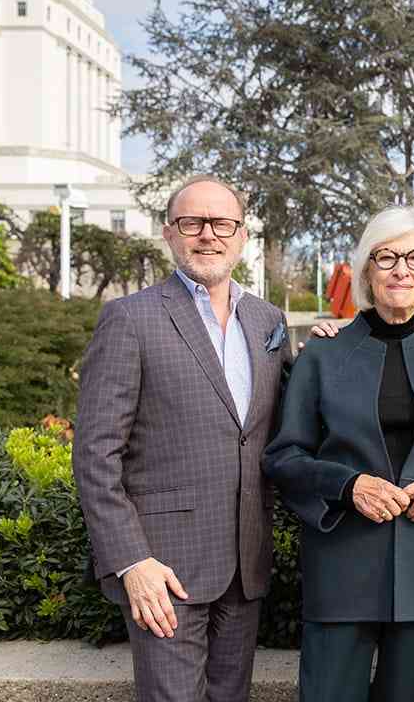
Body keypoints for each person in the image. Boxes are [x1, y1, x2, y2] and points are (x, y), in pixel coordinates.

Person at [263, 206, 414, 702]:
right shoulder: (323, 355)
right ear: (366, 270)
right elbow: (284, 457)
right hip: (342, 560)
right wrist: (349, 486)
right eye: (386, 256)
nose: (401, 269)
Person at [73, 175, 290, 702]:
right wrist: (131, 562)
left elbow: (284, 426)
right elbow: (96, 455)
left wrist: (334, 344)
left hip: (245, 563)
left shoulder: (268, 320)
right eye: (192, 222)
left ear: (242, 237)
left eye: (222, 224)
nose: (208, 235)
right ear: (170, 233)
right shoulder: (129, 318)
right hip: (162, 570)